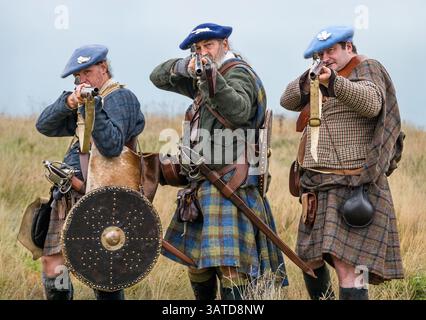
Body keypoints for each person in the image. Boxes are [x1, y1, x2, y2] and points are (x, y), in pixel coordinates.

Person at [150, 23, 287, 300]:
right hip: (201, 184)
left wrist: (213, 77)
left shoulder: (239, 74)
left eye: (208, 46)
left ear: (225, 43)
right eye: (198, 48)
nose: (203, 53)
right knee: (196, 265)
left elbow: (238, 111)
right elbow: (157, 77)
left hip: (230, 183)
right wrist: (185, 66)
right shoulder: (203, 78)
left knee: (230, 268)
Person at [280, 26, 404, 300]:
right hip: (317, 185)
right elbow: (286, 100)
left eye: (331, 50)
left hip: (355, 184)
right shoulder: (318, 74)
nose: (326, 57)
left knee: (351, 270)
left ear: (348, 47)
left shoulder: (367, 68)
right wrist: (309, 78)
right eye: (321, 53)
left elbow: (371, 103)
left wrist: (334, 81)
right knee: (308, 259)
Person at [35, 44, 145, 300]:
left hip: (104, 197)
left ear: (103, 67)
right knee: (54, 266)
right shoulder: (84, 99)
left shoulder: (121, 98)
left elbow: (111, 145)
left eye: (86, 72)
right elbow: (44, 125)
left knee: (102, 271)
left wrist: (89, 106)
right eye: (78, 76)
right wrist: (69, 101)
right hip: (70, 192)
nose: (81, 80)